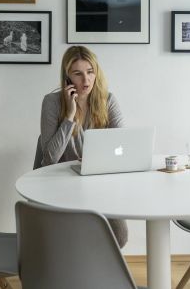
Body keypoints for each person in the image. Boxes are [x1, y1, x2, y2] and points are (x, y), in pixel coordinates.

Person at [39, 45, 128, 247]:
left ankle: (95, 270)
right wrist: (69, 116)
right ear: (67, 77)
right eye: (78, 74)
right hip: (61, 184)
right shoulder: (52, 102)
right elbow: (50, 158)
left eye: (90, 72)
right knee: (71, 236)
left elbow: (124, 145)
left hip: (98, 183)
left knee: (119, 235)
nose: (86, 80)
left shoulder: (108, 100)